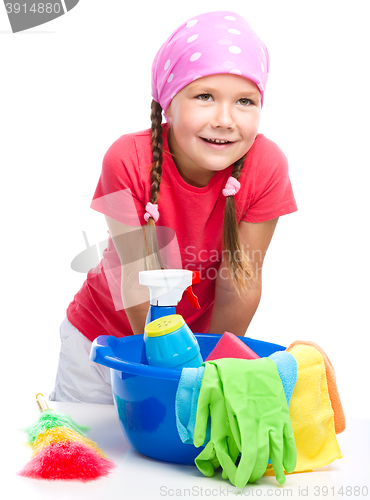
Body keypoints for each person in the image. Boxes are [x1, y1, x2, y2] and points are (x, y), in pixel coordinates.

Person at [50, 11, 297, 404]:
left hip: (191, 349)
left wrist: (211, 372)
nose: (225, 119)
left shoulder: (267, 166)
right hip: (100, 339)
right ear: (169, 103)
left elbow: (241, 281)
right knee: (94, 452)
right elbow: (138, 279)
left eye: (245, 101)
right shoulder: (125, 160)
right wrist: (157, 376)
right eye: (204, 97)